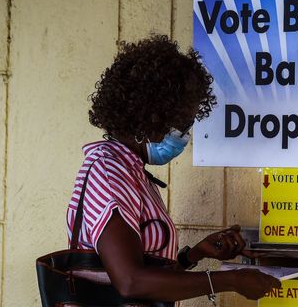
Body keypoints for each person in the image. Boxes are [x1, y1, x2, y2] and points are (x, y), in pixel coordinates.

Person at [65, 34, 281, 305]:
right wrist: (231, 280)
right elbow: (131, 282)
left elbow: (148, 280)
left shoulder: (132, 172)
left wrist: (195, 255)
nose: (185, 136)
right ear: (150, 118)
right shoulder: (108, 173)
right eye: (182, 124)